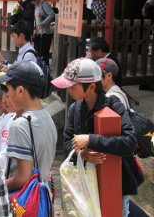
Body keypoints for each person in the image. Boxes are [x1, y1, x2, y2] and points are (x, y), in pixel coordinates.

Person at [51, 58, 137, 217]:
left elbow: (130, 142)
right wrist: (82, 154)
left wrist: (90, 140)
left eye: (73, 85)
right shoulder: (74, 109)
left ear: (91, 86)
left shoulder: (114, 105)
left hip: (115, 182)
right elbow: (67, 145)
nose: (69, 89)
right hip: (86, 184)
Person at [0, 61, 57, 193]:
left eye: (9, 90)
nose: (6, 97)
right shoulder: (47, 117)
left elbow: (23, 177)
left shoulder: (20, 124)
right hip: (42, 196)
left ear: (20, 90)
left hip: (24, 202)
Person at [27, 0, 55, 65]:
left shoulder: (44, 4)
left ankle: (45, 70)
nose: (32, 3)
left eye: (32, 1)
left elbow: (52, 14)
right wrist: (35, 29)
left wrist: (44, 23)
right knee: (39, 53)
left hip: (46, 33)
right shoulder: (36, 5)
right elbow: (36, 19)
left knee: (44, 54)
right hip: (39, 32)